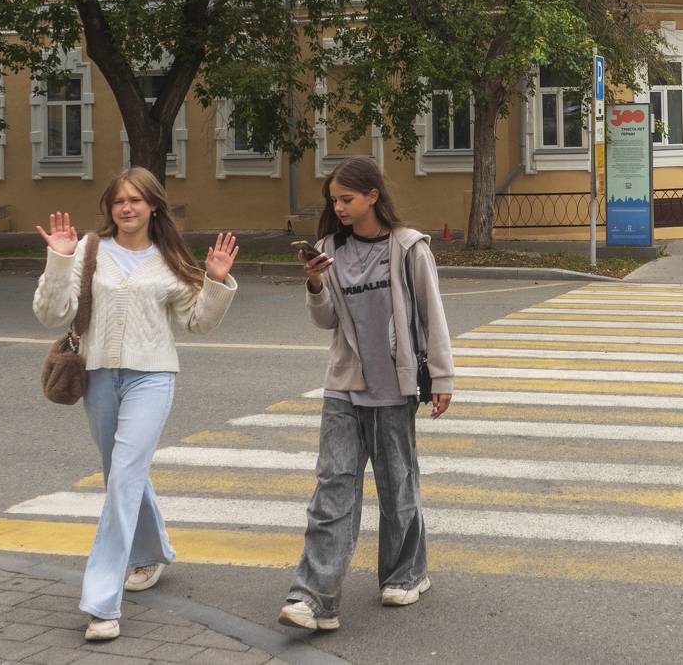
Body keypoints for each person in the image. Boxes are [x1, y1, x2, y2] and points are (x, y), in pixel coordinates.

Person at [33, 167, 238, 643]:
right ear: (110, 207)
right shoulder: (89, 250)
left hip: (152, 378)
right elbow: (50, 314)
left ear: (153, 206)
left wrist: (215, 282)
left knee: (124, 477)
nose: (127, 208)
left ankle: (101, 602)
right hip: (99, 377)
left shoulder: (170, 258)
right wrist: (59, 260)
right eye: (119, 200)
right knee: (120, 473)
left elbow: (197, 322)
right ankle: (149, 552)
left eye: (136, 200)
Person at [279, 155, 454, 632]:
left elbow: (432, 315)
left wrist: (442, 379)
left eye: (347, 198)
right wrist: (315, 281)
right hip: (344, 385)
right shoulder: (328, 248)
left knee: (398, 486)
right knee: (332, 487)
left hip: (394, 387)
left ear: (373, 196)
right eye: (334, 200)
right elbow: (326, 320)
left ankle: (405, 574)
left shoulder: (408, 248)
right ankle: (314, 598)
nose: (338, 207)